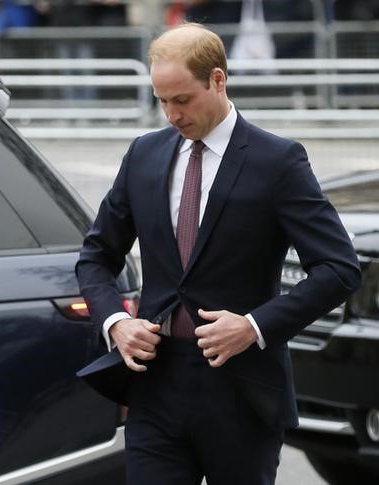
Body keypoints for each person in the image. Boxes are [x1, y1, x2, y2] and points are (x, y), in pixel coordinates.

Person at [76, 23, 361, 485]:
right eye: (161, 100)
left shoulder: (278, 160)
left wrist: (254, 327)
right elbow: (96, 257)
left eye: (182, 99)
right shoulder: (144, 154)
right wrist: (116, 323)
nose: (170, 114)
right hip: (155, 385)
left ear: (217, 79)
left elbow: (338, 270)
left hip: (242, 390)